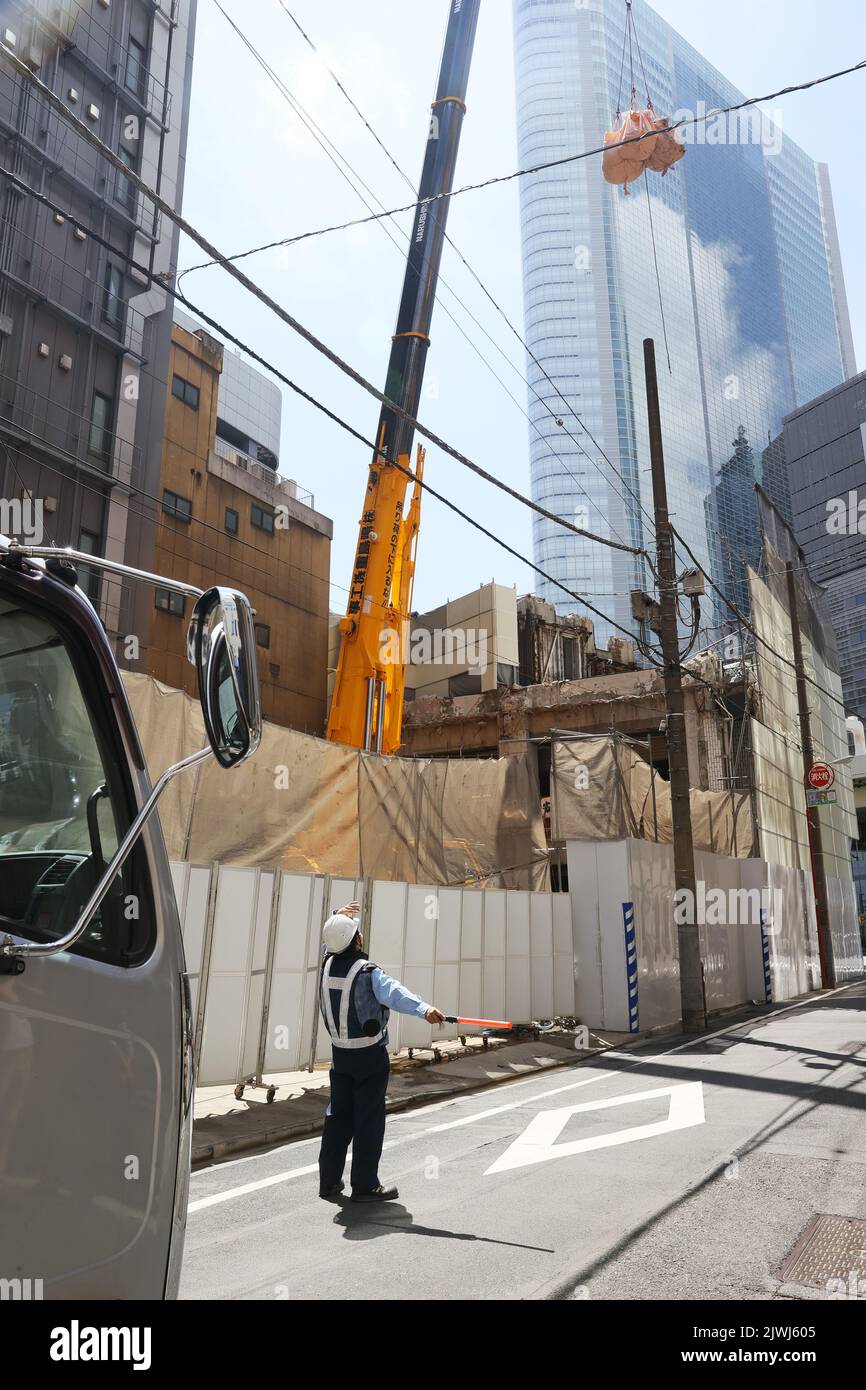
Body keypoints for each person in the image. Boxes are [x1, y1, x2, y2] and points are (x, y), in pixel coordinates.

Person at [318, 901, 445, 1203]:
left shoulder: (325, 966)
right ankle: (364, 1184)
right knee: (368, 1119)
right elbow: (395, 993)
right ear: (357, 940)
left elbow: (330, 942)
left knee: (338, 1117)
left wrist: (338, 916)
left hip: (339, 1055)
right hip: (369, 1058)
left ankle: (329, 1182)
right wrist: (425, 1009)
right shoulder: (367, 973)